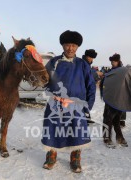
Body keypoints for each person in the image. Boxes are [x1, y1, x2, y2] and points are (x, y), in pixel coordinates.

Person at [41, 30, 96, 173]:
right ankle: (51, 156)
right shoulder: (54, 62)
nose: (70, 48)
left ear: (77, 47)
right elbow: (45, 81)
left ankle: (75, 159)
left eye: (73, 45)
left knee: (77, 132)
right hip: (56, 105)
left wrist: (87, 106)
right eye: (67, 45)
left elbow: (90, 86)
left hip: (76, 106)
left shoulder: (83, 65)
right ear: (62, 46)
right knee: (53, 130)